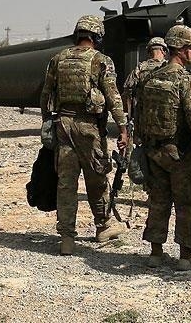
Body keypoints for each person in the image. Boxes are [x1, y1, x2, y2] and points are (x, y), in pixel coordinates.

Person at [136, 24, 191, 271]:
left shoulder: (150, 78)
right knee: (187, 202)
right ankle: (186, 257)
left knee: (158, 200)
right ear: (180, 49)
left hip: (155, 150)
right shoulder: (187, 81)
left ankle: (155, 253)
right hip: (181, 153)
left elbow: (140, 113)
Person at [40, 15, 129, 256]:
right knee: (97, 177)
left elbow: (45, 95)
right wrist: (123, 128)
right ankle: (103, 226)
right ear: (97, 36)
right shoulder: (101, 61)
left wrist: (47, 122)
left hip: (63, 125)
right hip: (89, 127)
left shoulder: (58, 59)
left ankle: (67, 238)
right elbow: (113, 97)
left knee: (66, 183)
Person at [122, 37, 168, 127]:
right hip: (166, 119)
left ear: (149, 52)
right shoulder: (170, 67)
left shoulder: (140, 68)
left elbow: (127, 92)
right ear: (164, 51)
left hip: (144, 119)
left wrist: (130, 116)